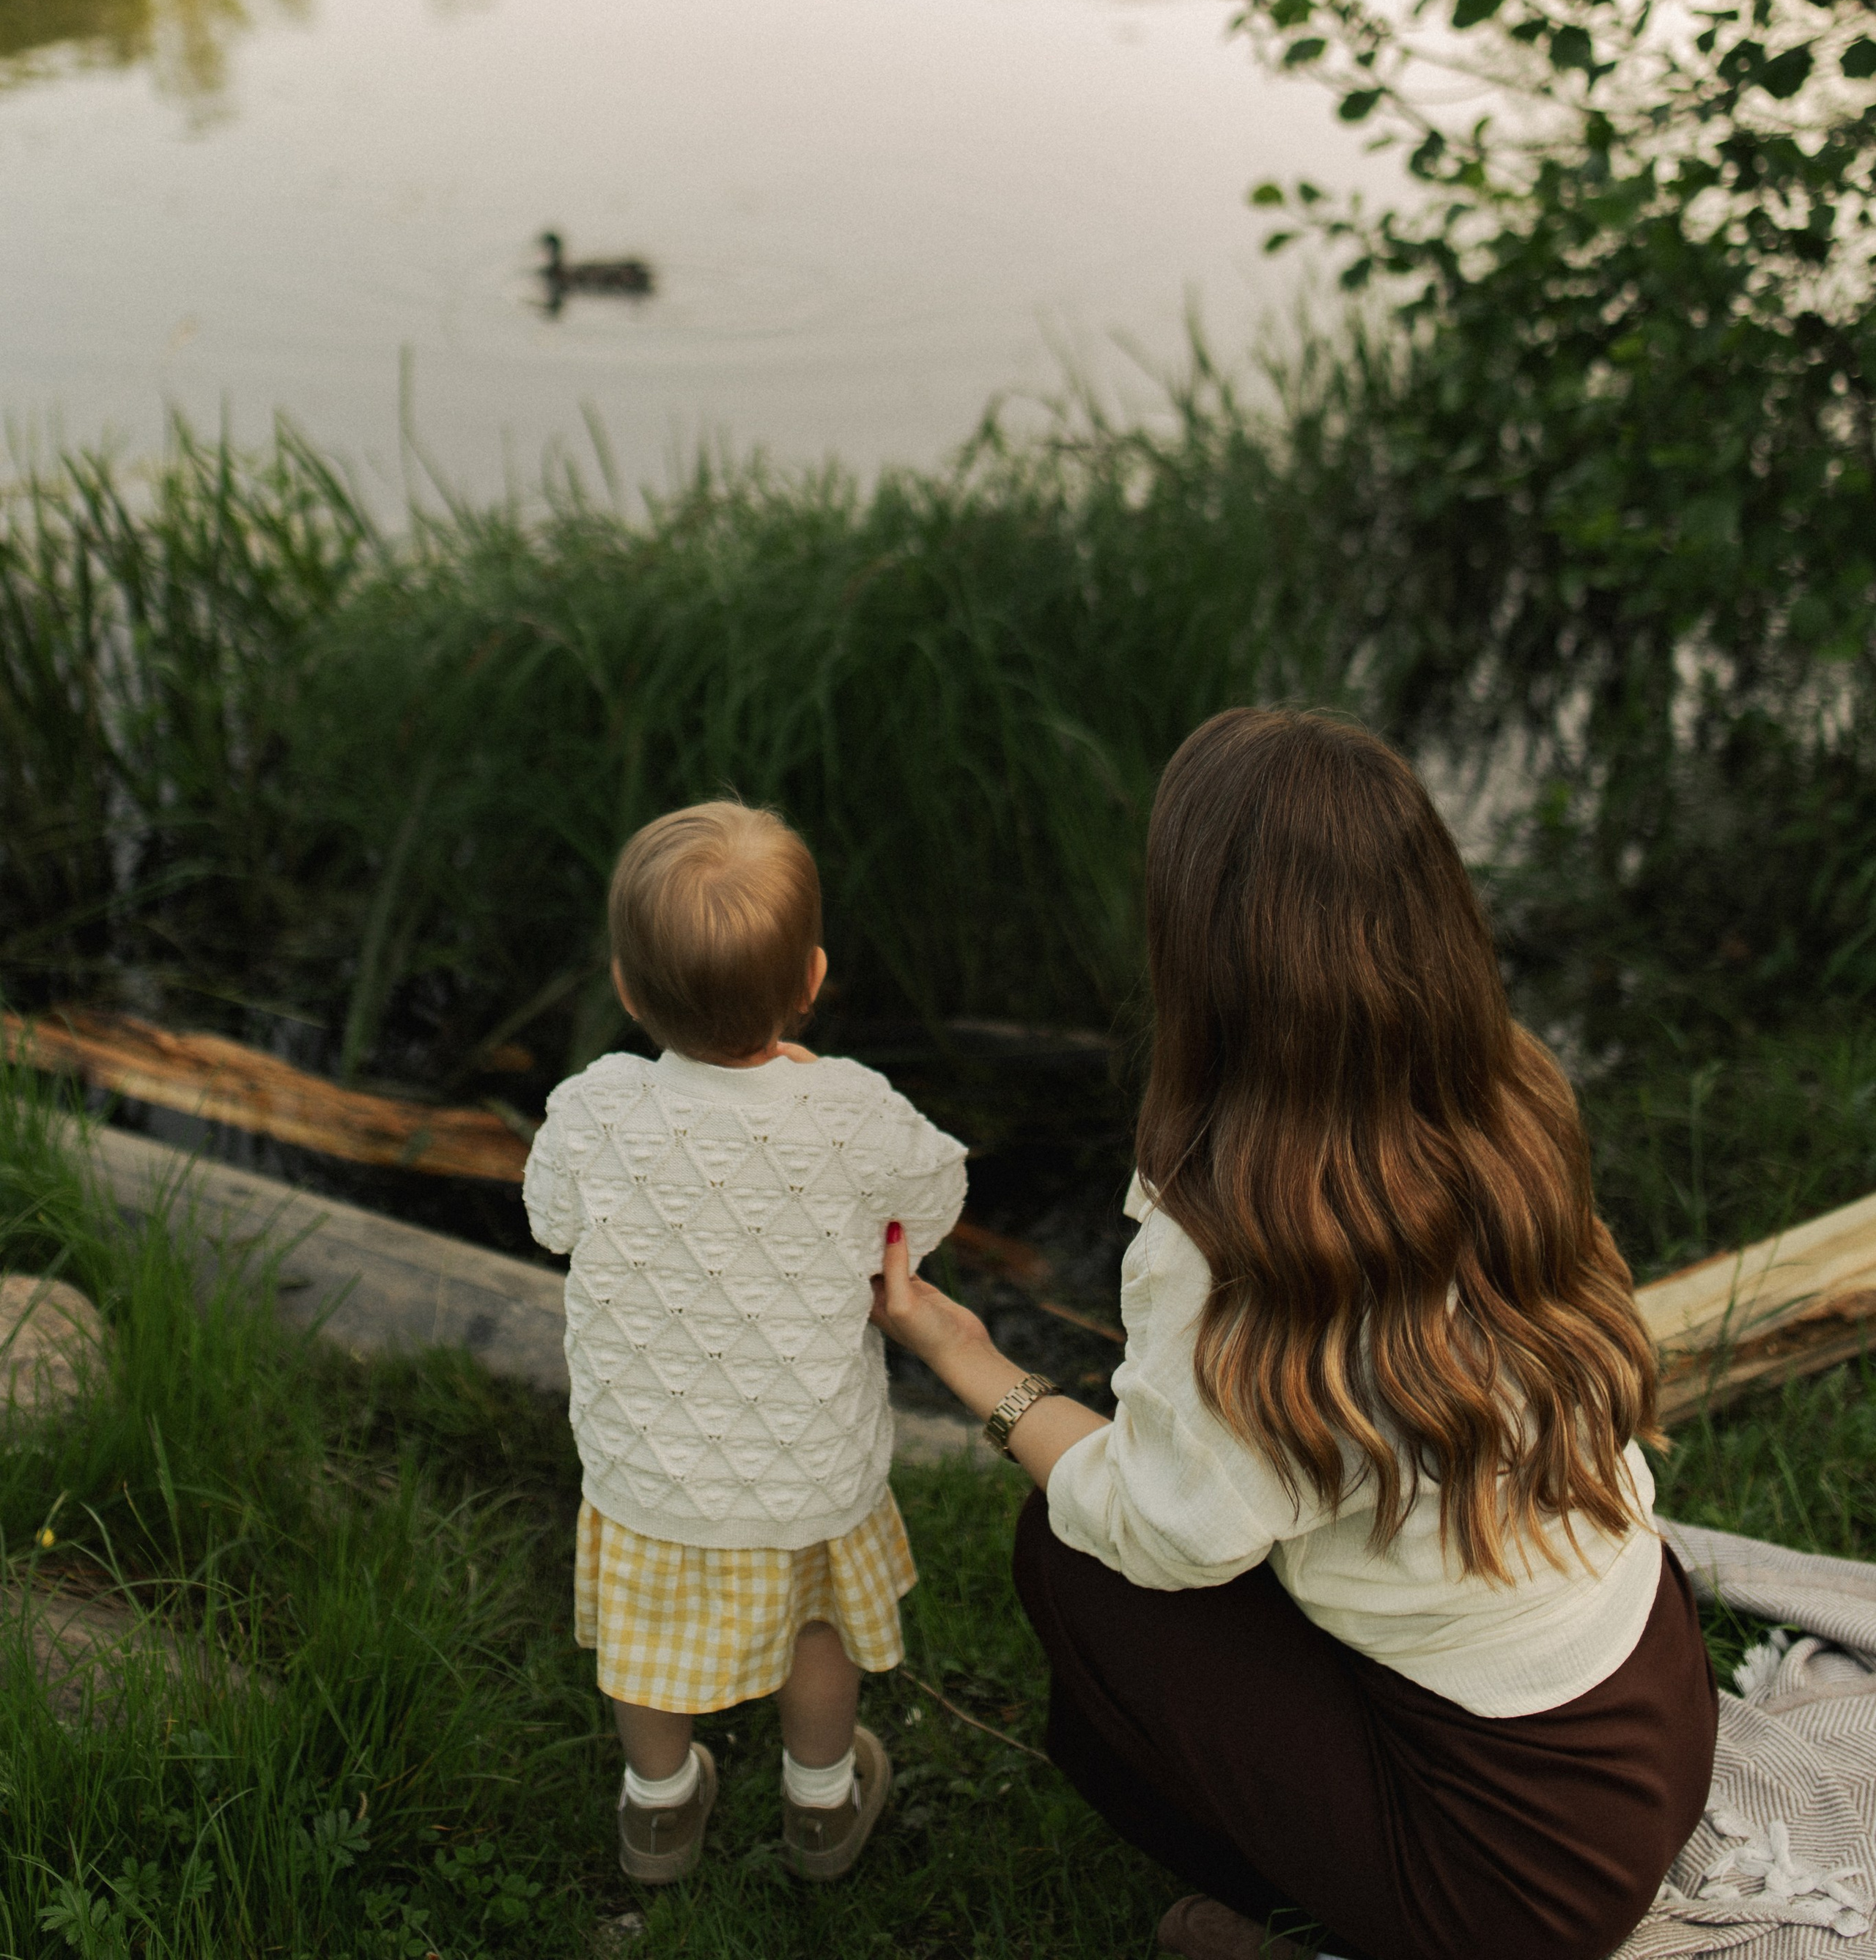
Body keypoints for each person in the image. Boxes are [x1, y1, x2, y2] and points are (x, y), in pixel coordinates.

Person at [870, 708, 1717, 1960]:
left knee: (1076, 1555)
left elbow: (1160, 1530)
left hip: (1507, 1893)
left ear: (1203, 957)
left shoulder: (1229, 1249)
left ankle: (1335, 1932)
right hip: (1655, 1719)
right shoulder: (1510, 1096)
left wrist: (974, 1367)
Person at [523, 798, 967, 1890]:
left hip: (649, 1468)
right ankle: (821, 1807)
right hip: (808, 1466)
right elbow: (938, 1199)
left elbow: (549, 1219)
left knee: (645, 1643)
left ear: (628, 990)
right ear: (811, 979)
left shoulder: (596, 1107)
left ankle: (659, 1814)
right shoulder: (853, 1108)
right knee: (817, 1631)